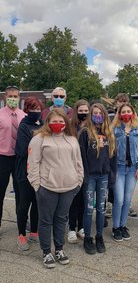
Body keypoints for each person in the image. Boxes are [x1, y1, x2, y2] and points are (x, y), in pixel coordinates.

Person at [27, 108, 84, 268]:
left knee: (61, 219)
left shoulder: (72, 139)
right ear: (48, 122)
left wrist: (78, 181)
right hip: (47, 188)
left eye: (61, 121)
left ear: (65, 123)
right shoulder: (39, 139)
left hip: (69, 187)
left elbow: (78, 162)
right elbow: (33, 163)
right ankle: (46, 252)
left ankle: (59, 249)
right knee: (45, 221)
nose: (58, 124)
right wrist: (37, 186)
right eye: (54, 121)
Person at [79, 103, 116, 255]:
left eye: (100, 113)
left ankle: (99, 236)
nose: (98, 116)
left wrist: (111, 174)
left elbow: (113, 156)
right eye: (95, 113)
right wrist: (85, 176)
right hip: (90, 176)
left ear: (105, 115)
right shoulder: (85, 133)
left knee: (101, 208)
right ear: (90, 115)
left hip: (104, 176)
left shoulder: (109, 133)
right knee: (88, 209)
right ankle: (88, 238)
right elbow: (81, 156)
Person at [111, 103, 138, 241]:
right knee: (118, 200)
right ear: (119, 114)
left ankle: (122, 225)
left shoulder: (137, 128)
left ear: (133, 113)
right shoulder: (114, 129)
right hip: (118, 168)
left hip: (132, 169)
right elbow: (110, 150)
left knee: (127, 199)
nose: (126, 113)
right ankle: (115, 227)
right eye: (123, 111)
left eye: (128, 111)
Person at [15, 97, 44, 251]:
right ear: (27, 110)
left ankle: (34, 232)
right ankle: (21, 235)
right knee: (24, 203)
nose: (36, 112)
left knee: (36, 203)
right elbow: (22, 149)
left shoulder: (42, 124)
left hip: (39, 171)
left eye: (38, 109)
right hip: (24, 171)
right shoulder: (24, 125)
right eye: (33, 109)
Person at [0, 86, 25, 229]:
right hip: (2, 158)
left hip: (18, 159)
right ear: (5, 97)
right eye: (10, 96)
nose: (13, 99)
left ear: (19, 98)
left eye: (15, 96)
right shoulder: (0, 114)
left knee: (20, 194)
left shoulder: (23, 115)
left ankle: (21, 224)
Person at [67, 99, 90, 243]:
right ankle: (71, 228)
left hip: (88, 167)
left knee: (84, 199)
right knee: (73, 199)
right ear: (76, 111)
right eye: (80, 111)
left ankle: (81, 226)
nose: (83, 113)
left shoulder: (92, 126)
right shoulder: (70, 126)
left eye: (86, 111)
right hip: (73, 167)